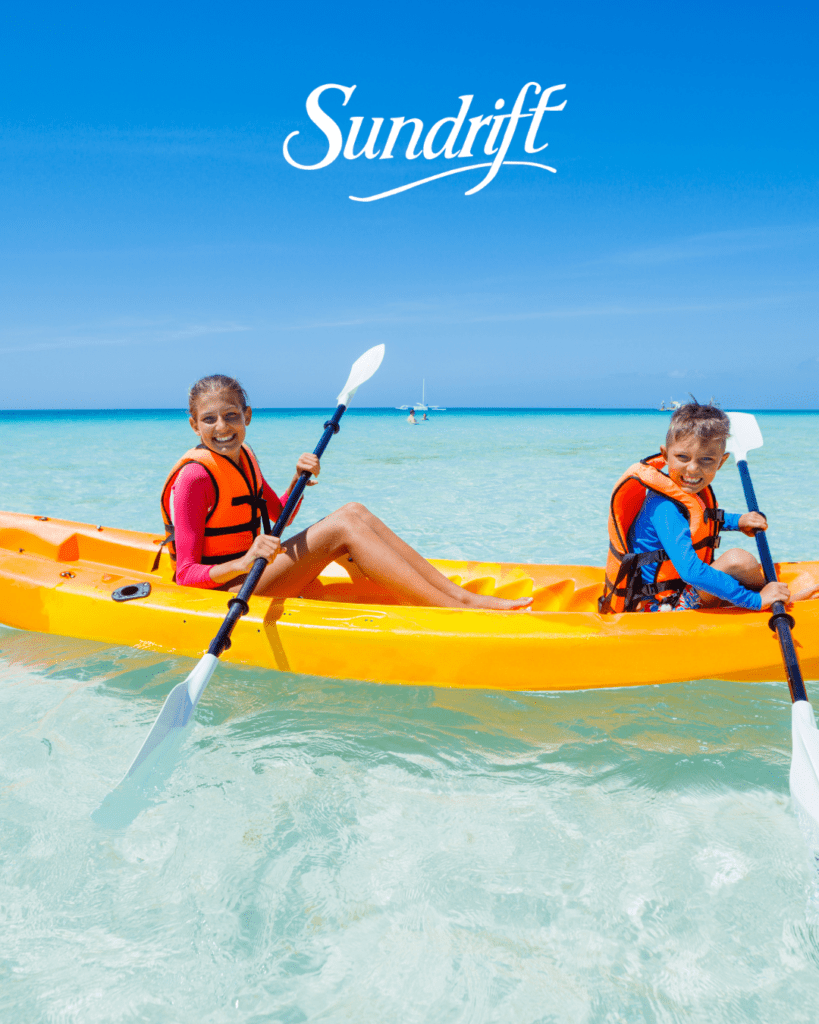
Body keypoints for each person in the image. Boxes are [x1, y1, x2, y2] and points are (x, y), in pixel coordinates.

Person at [160, 374, 531, 609]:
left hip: (256, 571)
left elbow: (279, 513)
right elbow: (185, 574)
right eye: (209, 419)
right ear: (194, 425)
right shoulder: (194, 478)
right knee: (341, 529)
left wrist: (297, 479)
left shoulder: (245, 456)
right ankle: (457, 610)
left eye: (231, 416)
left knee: (353, 511)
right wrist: (241, 564)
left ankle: (460, 597)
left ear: (248, 417)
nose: (222, 427)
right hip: (225, 593)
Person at [599, 401, 791, 613]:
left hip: (680, 591)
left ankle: (772, 597)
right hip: (660, 608)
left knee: (741, 563)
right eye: (682, 457)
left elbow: (702, 517)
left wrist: (737, 521)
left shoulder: (683, 491)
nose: (692, 469)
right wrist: (753, 600)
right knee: (738, 560)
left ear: (721, 462)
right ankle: (763, 601)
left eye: (706, 459)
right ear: (664, 455)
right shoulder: (664, 507)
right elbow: (690, 572)